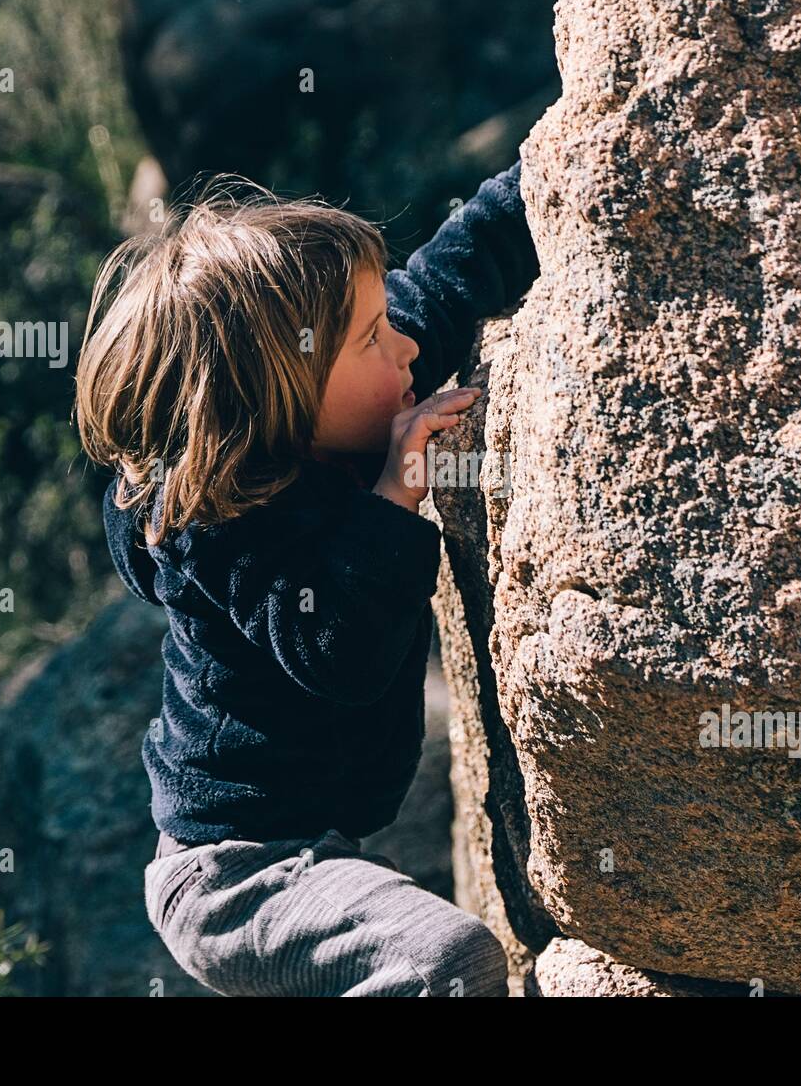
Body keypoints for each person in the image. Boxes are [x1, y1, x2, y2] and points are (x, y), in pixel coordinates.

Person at [73, 158, 539, 996]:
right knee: (449, 963)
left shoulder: (351, 382)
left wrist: (553, 166)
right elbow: (340, 651)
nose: (404, 343)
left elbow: (451, 269)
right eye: (372, 336)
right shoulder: (221, 524)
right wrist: (394, 495)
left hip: (313, 848)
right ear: (280, 393)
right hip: (233, 881)